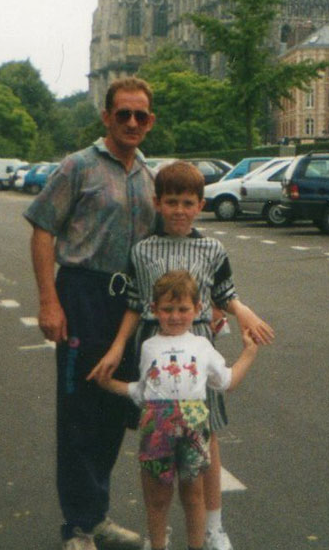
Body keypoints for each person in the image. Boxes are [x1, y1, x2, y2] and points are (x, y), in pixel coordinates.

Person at [89, 160, 274, 550]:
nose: (179, 210)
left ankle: (213, 527)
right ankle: (160, 531)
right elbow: (136, 303)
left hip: (198, 347)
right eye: (171, 201)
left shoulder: (212, 248)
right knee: (159, 429)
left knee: (206, 435)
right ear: (158, 203)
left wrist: (244, 313)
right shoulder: (143, 250)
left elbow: (225, 293)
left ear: (201, 205)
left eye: (188, 202)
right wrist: (119, 345)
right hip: (154, 349)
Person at [24, 76, 158, 550]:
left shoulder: (148, 175)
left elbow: (169, 242)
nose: (131, 122)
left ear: (150, 121)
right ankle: (78, 527)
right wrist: (48, 301)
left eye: (140, 115)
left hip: (128, 307)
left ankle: (96, 516)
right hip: (81, 295)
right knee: (80, 410)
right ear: (106, 117)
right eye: (122, 113)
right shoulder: (77, 166)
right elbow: (42, 230)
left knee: (114, 408)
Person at [96, 270, 259, 550]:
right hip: (156, 426)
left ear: (197, 309)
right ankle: (158, 543)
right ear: (154, 310)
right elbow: (142, 391)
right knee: (158, 497)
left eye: (183, 309)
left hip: (193, 425)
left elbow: (227, 381)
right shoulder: (147, 346)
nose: (175, 316)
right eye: (167, 309)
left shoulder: (202, 345)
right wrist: (108, 384)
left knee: (193, 496)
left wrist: (249, 353)